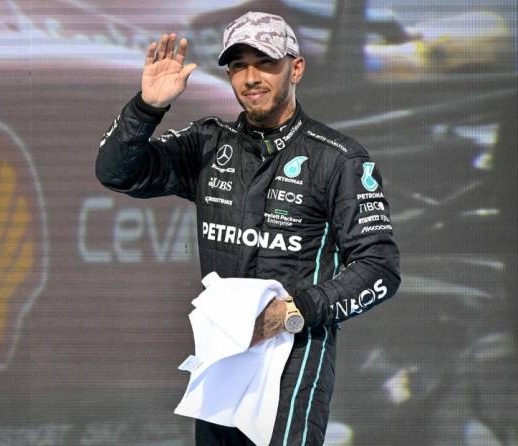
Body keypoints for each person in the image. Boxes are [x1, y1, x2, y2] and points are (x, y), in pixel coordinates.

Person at [95, 11, 400, 446]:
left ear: (296, 68)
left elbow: (380, 267)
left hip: (293, 356)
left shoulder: (338, 159)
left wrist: (292, 312)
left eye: (265, 62)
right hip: (222, 354)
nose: (250, 77)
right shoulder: (207, 143)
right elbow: (116, 173)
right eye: (238, 65)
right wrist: (147, 108)